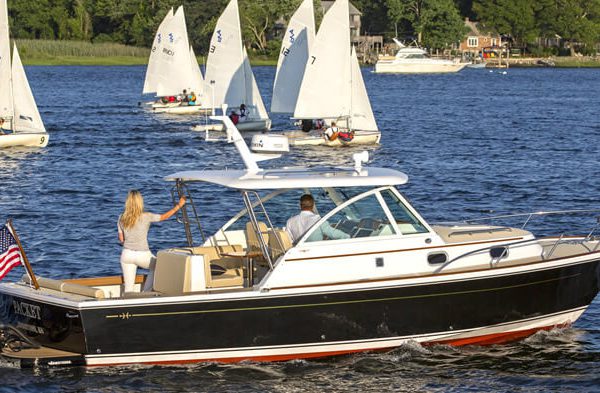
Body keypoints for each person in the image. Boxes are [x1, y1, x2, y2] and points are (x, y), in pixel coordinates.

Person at [117, 190, 186, 293]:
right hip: (143, 254)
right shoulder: (146, 216)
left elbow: (121, 240)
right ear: (140, 202)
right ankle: (146, 292)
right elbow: (164, 217)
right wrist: (179, 205)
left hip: (126, 255)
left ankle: (128, 306)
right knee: (159, 265)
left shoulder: (121, 218)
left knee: (128, 289)